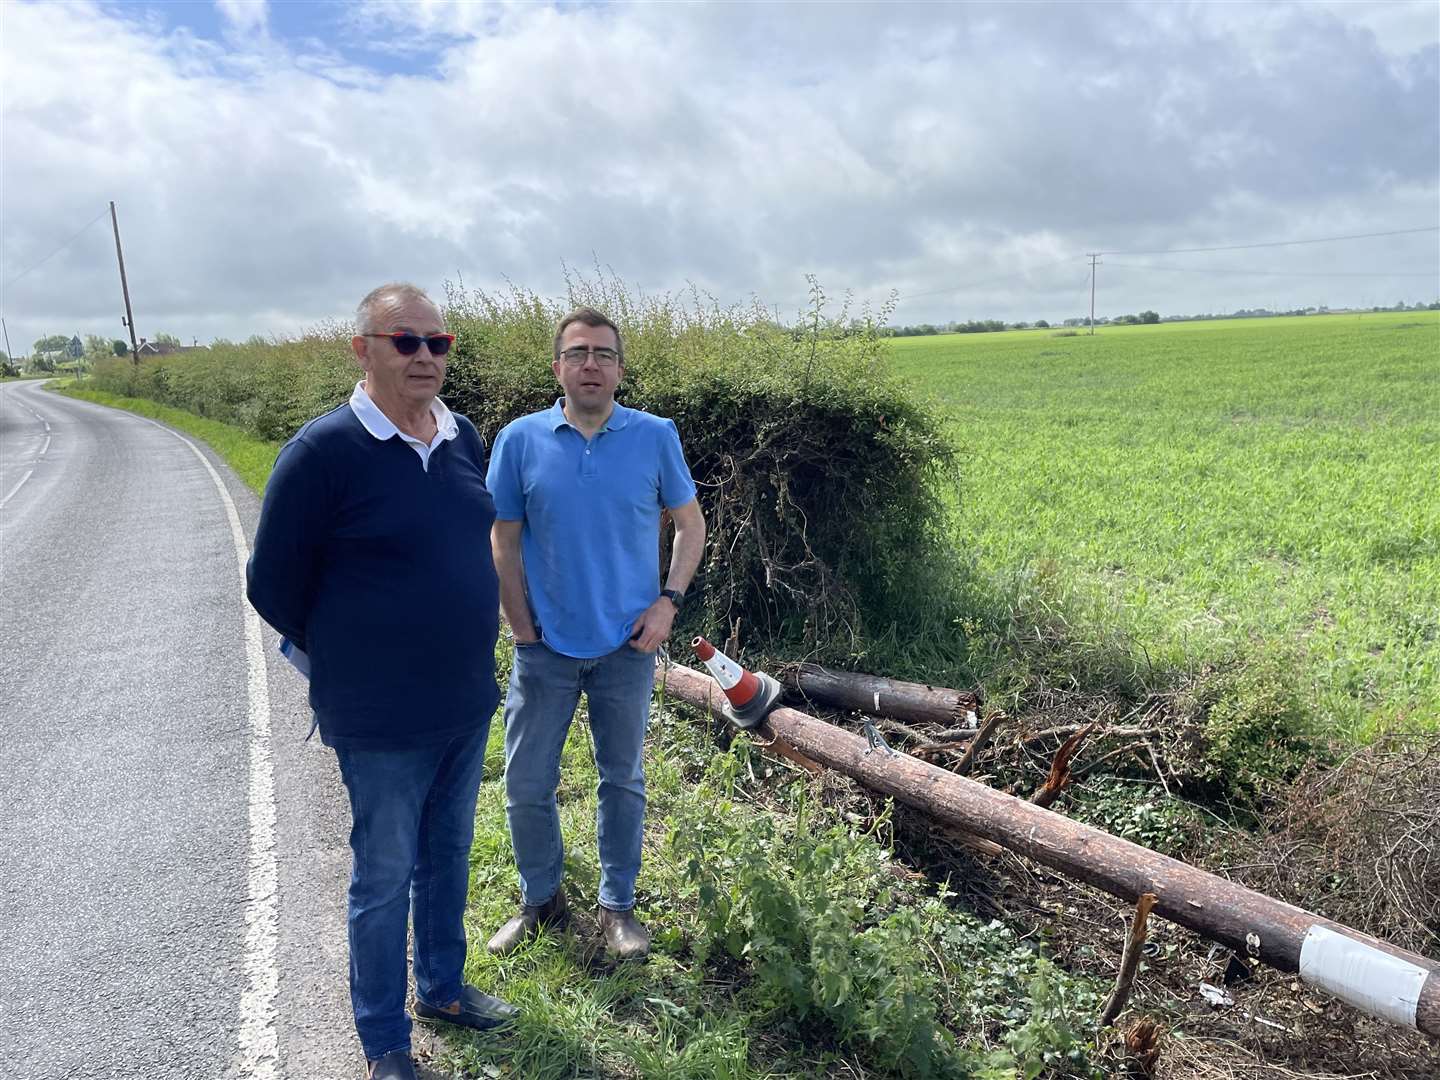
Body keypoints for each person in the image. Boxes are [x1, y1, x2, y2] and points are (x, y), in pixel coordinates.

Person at [246, 283, 517, 1080]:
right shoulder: (322, 453)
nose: (426, 356)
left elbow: (472, 540)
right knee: (385, 874)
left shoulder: (462, 434)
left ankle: (442, 988)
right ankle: (385, 1045)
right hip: (379, 716)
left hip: (464, 698)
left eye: (441, 343)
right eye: (407, 341)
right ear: (362, 349)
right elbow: (272, 584)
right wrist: (340, 657)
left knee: (450, 853)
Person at [484, 306, 706, 960]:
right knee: (525, 781)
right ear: (557, 366)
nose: (590, 364)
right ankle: (541, 900)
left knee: (622, 779)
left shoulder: (655, 436)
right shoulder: (520, 440)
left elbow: (691, 526)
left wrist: (668, 603)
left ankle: (617, 909)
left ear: (618, 368)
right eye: (578, 353)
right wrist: (518, 621)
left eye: (603, 354)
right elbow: (502, 538)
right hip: (544, 650)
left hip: (626, 650)